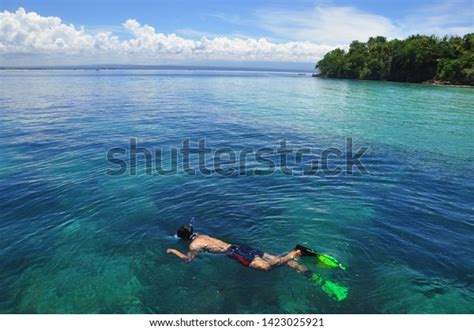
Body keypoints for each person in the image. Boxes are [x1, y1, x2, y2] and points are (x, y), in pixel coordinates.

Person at [166, 224, 308, 273]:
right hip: (239, 246)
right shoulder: (202, 235)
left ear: (184, 238)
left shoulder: (193, 245)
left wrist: (173, 251)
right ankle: (302, 269)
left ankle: (292, 254)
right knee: (273, 258)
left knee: (267, 267)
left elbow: (188, 259)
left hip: (234, 253)